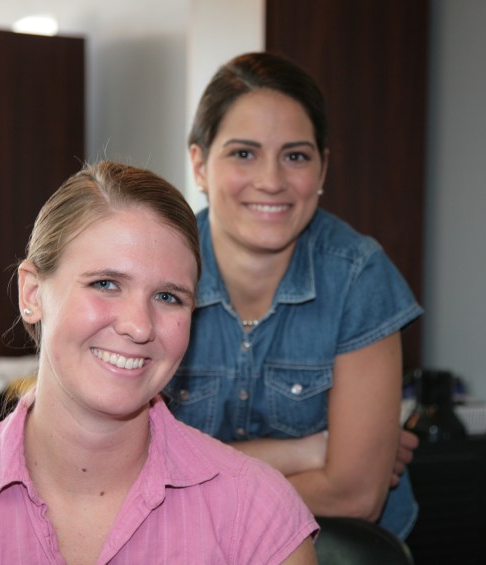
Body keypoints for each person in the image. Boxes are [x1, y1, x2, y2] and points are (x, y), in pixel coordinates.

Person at [0, 161, 318, 564]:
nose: (139, 326)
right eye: (105, 284)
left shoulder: (259, 519)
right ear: (32, 294)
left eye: (168, 297)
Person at [164, 51, 424, 539]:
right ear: (199, 164)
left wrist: (182, 480)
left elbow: (354, 496)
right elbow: (123, 464)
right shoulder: (158, 270)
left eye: (296, 156)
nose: (271, 181)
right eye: (244, 153)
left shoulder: (358, 275)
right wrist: (306, 452)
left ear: (322, 170)